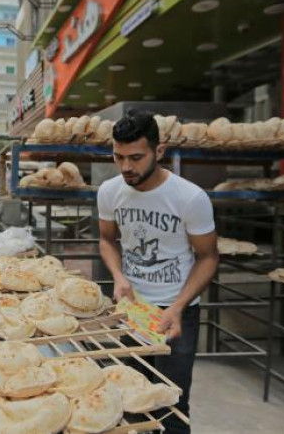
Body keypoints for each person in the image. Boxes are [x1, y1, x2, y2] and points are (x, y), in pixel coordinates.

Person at [97, 110, 218, 434]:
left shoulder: (189, 197)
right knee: (131, 398)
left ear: (159, 151)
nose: (126, 167)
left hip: (176, 311)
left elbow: (208, 258)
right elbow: (107, 240)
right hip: (134, 308)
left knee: (172, 403)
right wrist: (119, 278)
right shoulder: (110, 192)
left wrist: (178, 307)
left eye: (136, 157)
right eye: (118, 157)